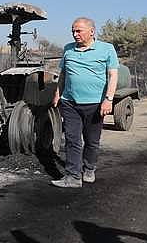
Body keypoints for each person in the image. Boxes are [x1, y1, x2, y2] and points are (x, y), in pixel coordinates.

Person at [51, 17, 119, 188]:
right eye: (73, 31)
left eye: (78, 31)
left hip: (95, 104)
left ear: (91, 31)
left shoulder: (106, 49)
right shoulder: (68, 49)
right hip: (70, 102)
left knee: (91, 141)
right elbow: (64, 75)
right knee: (72, 140)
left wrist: (108, 99)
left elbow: (113, 76)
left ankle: (89, 168)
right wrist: (58, 93)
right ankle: (73, 176)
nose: (75, 34)